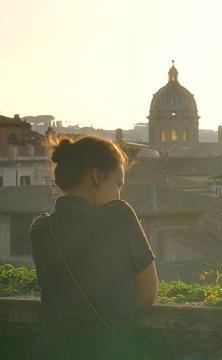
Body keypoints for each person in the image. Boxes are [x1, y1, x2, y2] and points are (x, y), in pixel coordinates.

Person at [30, 135, 157, 359]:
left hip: (51, 351)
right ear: (97, 176)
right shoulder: (120, 215)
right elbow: (147, 294)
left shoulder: (41, 229)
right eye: (118, 184)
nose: (119, 193)